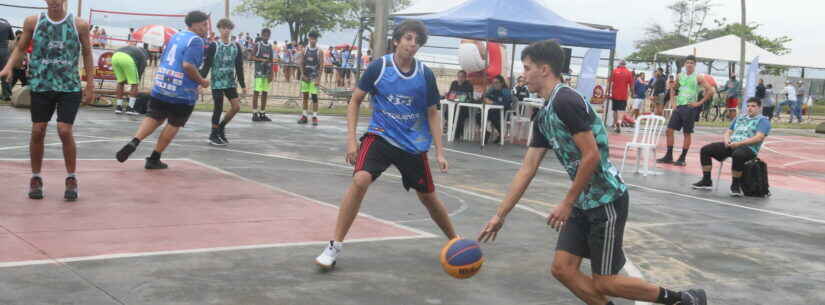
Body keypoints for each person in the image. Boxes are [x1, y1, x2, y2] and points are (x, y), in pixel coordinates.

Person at [477, 39, 707, 305]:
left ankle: (684, 299)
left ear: (544, 69)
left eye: (527, 67)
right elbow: (527, 168)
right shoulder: (544, 114)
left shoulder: (566, 100)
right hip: (584, 200)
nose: (523, 74)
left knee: (605, 282)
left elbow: (592, 155)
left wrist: (567, 202)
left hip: (606, 199)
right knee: (562, 269)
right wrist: (500, 215)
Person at [315, 20, 457, 269]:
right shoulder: (379, 67)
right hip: (380, 136)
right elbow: (355, 101)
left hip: (412, 144)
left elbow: (433, 113)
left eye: (417, 41)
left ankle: (456, 242)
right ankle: (334, 246)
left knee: (428, 197)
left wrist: (440, 150)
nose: (413, 44)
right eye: (409, 38)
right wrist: (351, 140)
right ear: (397, 41)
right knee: (360, 179)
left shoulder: (424, 75)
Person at [0, 0, 96, 201]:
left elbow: (87, 53)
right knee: (38, 130)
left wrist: (90, 84)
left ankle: (71, 177)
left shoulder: (79, 25)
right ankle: (36, 177)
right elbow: (20, 48)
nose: (53, 1)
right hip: (41, 85)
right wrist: (9, 67)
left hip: (69, 86)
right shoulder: (33, 22)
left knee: (64, 129)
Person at [115, 10, 210, 170]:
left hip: (162, 84)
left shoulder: (176, 36)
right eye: (204, 24)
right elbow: (187, 65)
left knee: (154, 117)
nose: (206, 27)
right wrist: (202, 81)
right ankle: (154, 157)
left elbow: (165, 57)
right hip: (182, 91)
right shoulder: (196, 41)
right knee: (173, 123)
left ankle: (135, 141)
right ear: (194, 24)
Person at [692, 97, 770, 196]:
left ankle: (735, 186)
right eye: (748, 106)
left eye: (753, 106)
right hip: (732, 144)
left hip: (748, 148)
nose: (750, 108)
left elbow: (759, 138)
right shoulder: (740, 118)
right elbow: (728, 132)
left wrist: (739, 144)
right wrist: (726, 140)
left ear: (759, 108)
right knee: (706, 149)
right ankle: (706, 180)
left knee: (738, 155)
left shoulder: (763, 121)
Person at [656, 55, 716, 167]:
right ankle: (669, 156)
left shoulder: (698, 77)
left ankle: (682, 158)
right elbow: (673, 89)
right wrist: (673, 103)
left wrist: (699, 103)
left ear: (695, 65)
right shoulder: (680, 76)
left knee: (687, 133)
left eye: (691, 63)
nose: (689, 64)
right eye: (687, 62)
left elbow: (711, 90)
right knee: (669, 130)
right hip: (679, 107)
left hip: (690, 108)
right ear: (684, 64)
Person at [200, 18, 246, 146]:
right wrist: (200, 81)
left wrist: (243, 85)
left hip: (230, 82)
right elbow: (207, 65)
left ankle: (220, 127)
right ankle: (213, 134)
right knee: (218, 108)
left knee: (236, 107)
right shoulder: (214, 46)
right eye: (223, 27)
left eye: (228, 28)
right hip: (217, 82)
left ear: (231, 29)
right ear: (219, 29)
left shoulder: (235, 46)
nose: (225, 30)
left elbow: (239, 67)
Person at [111, 45, 148, 115]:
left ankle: (118, 107)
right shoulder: (143, 58)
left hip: (115, 56)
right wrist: (133, 83)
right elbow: (137, 80)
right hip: (127, 59)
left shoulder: (134, 50)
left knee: (120, 82)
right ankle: (130, 108)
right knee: (135, 84)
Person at [297, 31, 322, 125]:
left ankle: (314, 117)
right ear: (309, 39)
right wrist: (302, 75)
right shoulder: (304, 50)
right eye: (311, 38)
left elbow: (321, 66)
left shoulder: (320, 51)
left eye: (315, 38)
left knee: (314, 97)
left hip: (314, 78)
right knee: (305, 97)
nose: (313, 40)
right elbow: (301, 63)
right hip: (305, 77)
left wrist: (318, 79)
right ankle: (304, 116)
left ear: (316, 40)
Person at [250, 28, 273, 122]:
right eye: (265, 34)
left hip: (266, 73)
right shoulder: (258, 44)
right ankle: (254, 113)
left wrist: (271, 73)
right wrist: (261, 60)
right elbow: (251, 57)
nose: (266, 36)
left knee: (265, 93)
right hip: (259, 73)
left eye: (268, 35)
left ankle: (262, 113)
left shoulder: (270, 46)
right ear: (262, 35)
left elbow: (271, 60)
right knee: (256, 92)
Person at [482, 74, 513, 143]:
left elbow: (505, 104)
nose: (494, 84)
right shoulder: (492, 89)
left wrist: (492, 103)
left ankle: (501, 134)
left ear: (501, 83)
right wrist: (485, 97)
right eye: (493, 83)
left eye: (496, 83)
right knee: (479, 114)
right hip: (492, 110)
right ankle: (486, 131)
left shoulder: (506, 92)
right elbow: (484, 97)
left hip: (503, 112)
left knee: (492, 115)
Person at [448, 70, 474, 141]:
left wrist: (456, 96)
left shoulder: (468, 85)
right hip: (454, 105)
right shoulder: (454, 83)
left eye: (462, 77)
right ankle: (455, 130)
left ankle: (456, 132)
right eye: (459, 76)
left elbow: (466, 96)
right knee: (447, 112)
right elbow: (450, 94)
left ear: (465, 78)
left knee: (459, 113)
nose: (460, 78)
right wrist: (456, 96)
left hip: (464, 107)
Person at [608, 60, 633, 133]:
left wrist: (607, 91)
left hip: (615, 94)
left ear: (619, 64)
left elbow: (610, 82)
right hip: (623, 95)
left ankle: (615, 124)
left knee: (615, 110)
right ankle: (619, 122)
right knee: (621, 111)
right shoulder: (628, 72)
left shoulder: (615, 71)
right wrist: (632, 93)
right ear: (625, 65)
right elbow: (631, 85)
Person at [0, 18, 14, 101]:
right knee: (6, 72)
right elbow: (12, 38)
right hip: (4, 50)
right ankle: (7, 94)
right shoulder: (6, 23)